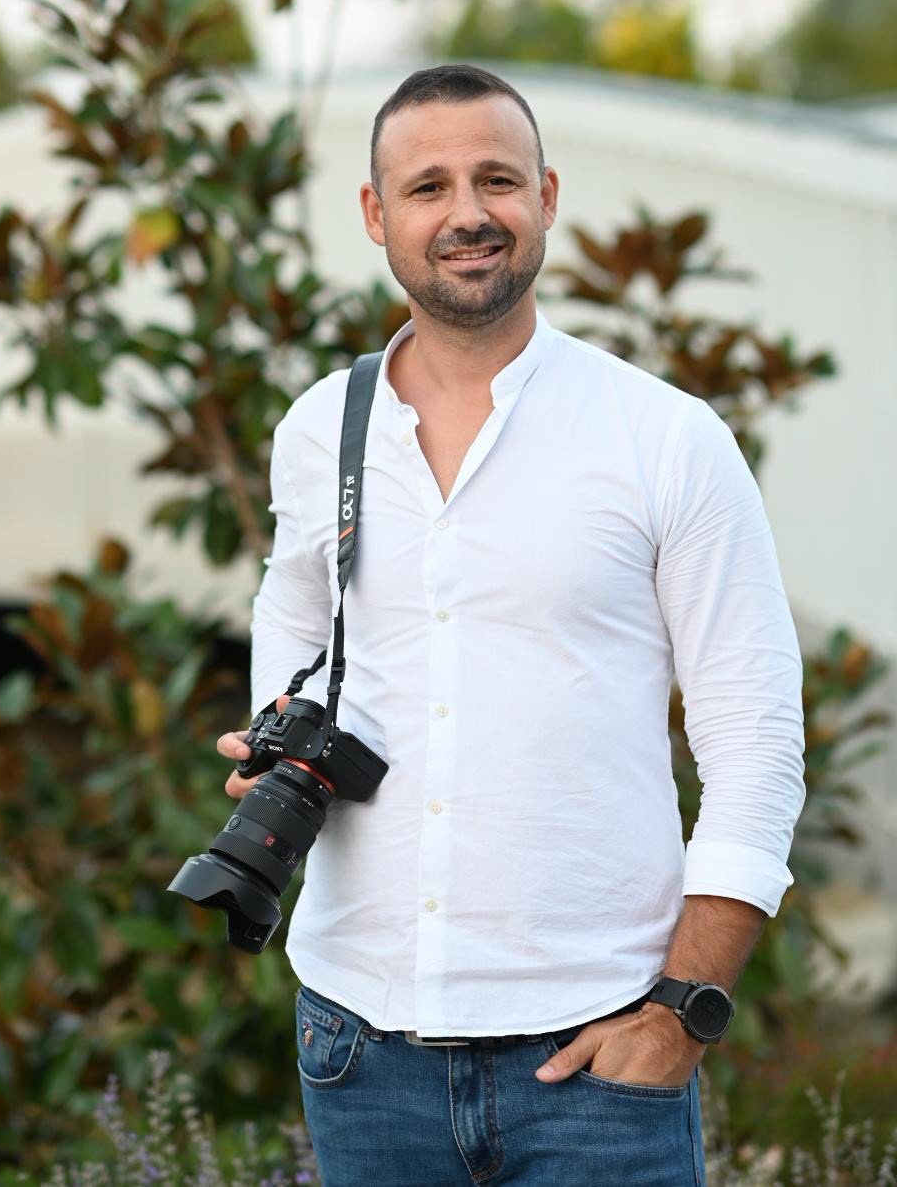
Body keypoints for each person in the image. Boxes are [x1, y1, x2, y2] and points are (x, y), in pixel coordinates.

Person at [216, 63, 806, 1187]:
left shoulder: (666, 438)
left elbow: (756, 742)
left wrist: (683, 1009)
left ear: (546, 195)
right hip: (357, 1044)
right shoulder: (319, 429)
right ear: (376, 214)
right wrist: (279, 730)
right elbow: (292, 610)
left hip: (597, 1063)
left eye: (497, 179)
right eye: (428, 187)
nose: (468, 213)